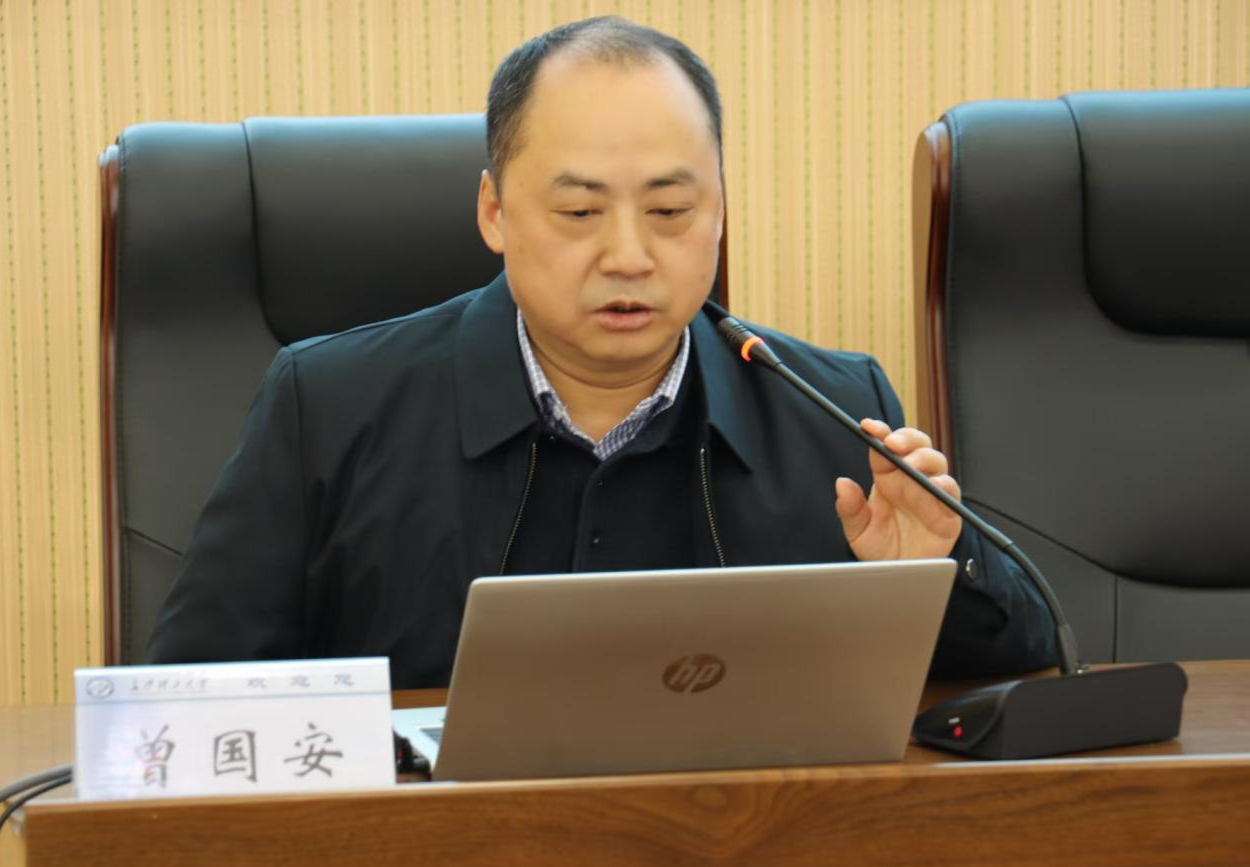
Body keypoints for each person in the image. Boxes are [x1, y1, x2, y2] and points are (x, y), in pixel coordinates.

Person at [147, 17, 1056, 686]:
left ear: (720, 211)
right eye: (580, 211)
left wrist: (936, 576)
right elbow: (189, 699)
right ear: (494, 212)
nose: (628, 254)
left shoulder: (831, 409)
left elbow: (1025, 671)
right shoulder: (328, 406)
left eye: (670, 210)